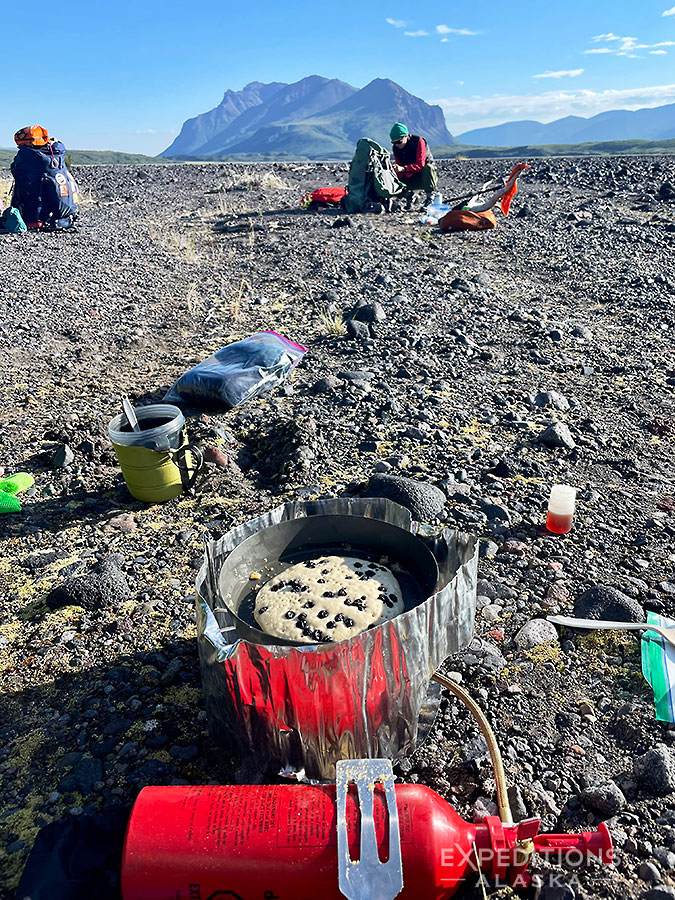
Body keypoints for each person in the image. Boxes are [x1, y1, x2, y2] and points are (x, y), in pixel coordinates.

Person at [390, 123, 438, 209]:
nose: (397, 145)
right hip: (409, 177)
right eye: (394, 143)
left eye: (399, 142)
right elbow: (399, 166)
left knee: (428, 168)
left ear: (405, 136)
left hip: (425, 177)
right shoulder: (396, 148)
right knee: (392, 174)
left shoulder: (418, 141)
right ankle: (408, 196)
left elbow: (421, 164)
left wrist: (403, 169)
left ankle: (430, 198)